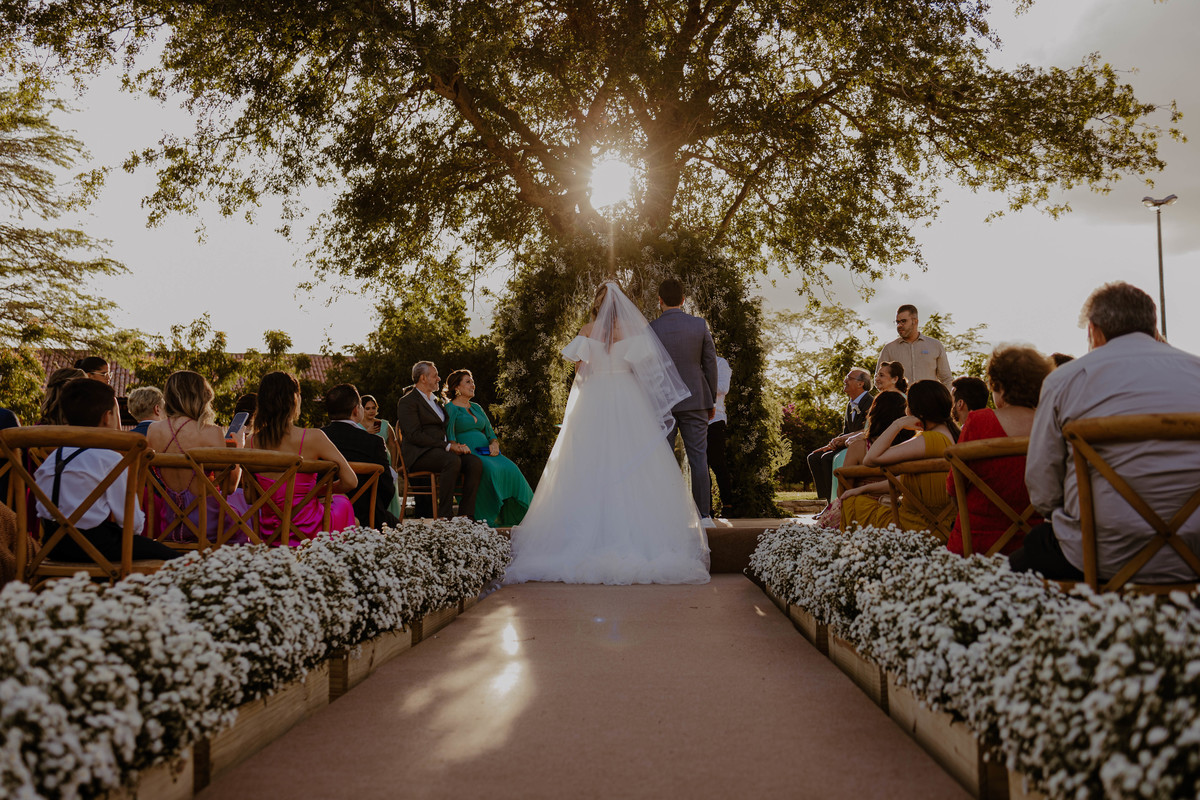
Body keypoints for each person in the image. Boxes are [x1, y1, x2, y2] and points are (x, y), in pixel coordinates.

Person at [504, 281, 710, 585]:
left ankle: (585, 533)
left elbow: (579, 375)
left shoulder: (587, 331)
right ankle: (640, 532)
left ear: (597, 305)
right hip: (628, 397)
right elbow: (646, 373)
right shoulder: (635, 332)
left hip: (595, 398)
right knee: (634, 462)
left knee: (588, 461)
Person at [1011, 282, 1200, 583]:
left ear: (1093, 330)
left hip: (1098, 554)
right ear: (1152, 326)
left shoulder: (1065, 380)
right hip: (1195, 553)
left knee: (1026, 556)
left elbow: (1043, 491)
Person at [34, 379, 182, 563]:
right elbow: (132, 524)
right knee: (172, 556)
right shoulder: (109, 459)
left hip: (51, 547)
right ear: (107, 417)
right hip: (95, 548)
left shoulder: (53, 458)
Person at [946, 346, 1051, 556]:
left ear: (999, 387)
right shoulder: (1052, 423)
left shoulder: (978, 421)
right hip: (1038, 547)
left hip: (976, 544)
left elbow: (954, 488)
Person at [248, 372, 357, 544]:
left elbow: (249, 497)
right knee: (341, 502)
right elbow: (351, 481)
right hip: (309, 533)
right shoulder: (313, 438)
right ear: (295, 400)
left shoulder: (251, 442)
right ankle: (337, 562)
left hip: (269, 533)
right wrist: (316, 491)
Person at [841, 380, 959, 533]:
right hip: (946, 522)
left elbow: (871, 459)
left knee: (853, 503)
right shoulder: (953, 435)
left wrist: (898, 424)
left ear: (918, 410)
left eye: (908, 405)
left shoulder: (927, 440)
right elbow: (905, 480)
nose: (906, 410)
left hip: (918, 524)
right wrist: (864, 489)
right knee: (857, 497)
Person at [648, 278, 719, 526]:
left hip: (663, 402)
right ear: (683, 300)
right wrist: (710, 400)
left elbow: (647, 369)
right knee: (699, 458)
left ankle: (665, 516)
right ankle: (704, 515)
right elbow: (710, 364)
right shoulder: (699, 325)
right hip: (696, 399)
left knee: (664, 460)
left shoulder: (650, 329)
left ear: (660, 300)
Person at [145, 371, 230, 543]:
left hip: (168, 526)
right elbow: (229, 487)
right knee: (245, 518)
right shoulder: (212, 432)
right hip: (209, 528)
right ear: (201, 397)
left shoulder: (154, 431)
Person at [443, 369, 533, 527]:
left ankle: (529, 514)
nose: (473, 385)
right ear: (456, 387)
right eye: (468, 382)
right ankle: (484, 517)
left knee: (513, 469)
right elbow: (450, 436)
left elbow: (490, 432)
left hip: (489, 452)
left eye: (473, 381)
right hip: (469, 453)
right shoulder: (451, 409)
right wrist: (458, 448)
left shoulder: (477, 407)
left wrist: (494, 444)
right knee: (489, 471)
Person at [396, 362, 482, 519]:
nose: (439, 378)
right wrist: (448, 446)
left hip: (441, 451)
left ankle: (466, 517)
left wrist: (455, 444)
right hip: (419, 454)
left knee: (474, 462)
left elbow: (444, 430)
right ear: (423, 378)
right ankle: (445, 517)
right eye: (435, 375)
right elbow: (414, 434)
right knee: (452, 460)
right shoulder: (408, 401)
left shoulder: (437, 402)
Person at [814, 390, 912, 529]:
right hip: (896, 512)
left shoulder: (859, 448)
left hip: (858, 513)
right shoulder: (909, 448)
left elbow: (842, 492)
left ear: (873, 415)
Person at [321, 383, 399, 529]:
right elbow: (387, 487)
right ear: (357, 410)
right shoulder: (374, 442)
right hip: (368, 520)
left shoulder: (318, 438)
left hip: (326, 518)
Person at [807, 368, 873, 509]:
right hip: (847, 444)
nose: (845, 380)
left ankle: (835, 503)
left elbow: (869, 430)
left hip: (862, 446)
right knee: (813, 457)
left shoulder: (871, 402)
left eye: (849, 378)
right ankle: (827, 502)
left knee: (827, 459)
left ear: (860, 384)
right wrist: (832, 443)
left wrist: (842, 441)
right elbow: (846, 431)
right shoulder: (850, 404)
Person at [878, 305, 952, 388]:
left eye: (903, 321)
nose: (899, 325)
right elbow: (878, 380)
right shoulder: (889, 349)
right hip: (901, 400)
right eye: (897, 322)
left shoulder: (935, 345)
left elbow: (947, 379)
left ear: (915, 321)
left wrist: (942, 400)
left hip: (929, 400)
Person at [707, 355, 734, 517]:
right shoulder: (694, 361)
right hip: (696, 419)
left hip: (716, 418)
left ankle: (728, 505)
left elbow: (723, 388)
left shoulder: (720, 363)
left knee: (717, 463)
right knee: (700, 465)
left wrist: (701, 382)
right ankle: (707, 507)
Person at [362, 394, 399, 467]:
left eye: (373, 408)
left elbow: (393, 446)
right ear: (361, 409)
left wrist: (394, 467)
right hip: (364, 463)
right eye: (367, 408)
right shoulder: (355, 425)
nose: (371, 411)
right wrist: (366, 434)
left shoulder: (385, 425)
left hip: (384, 462)